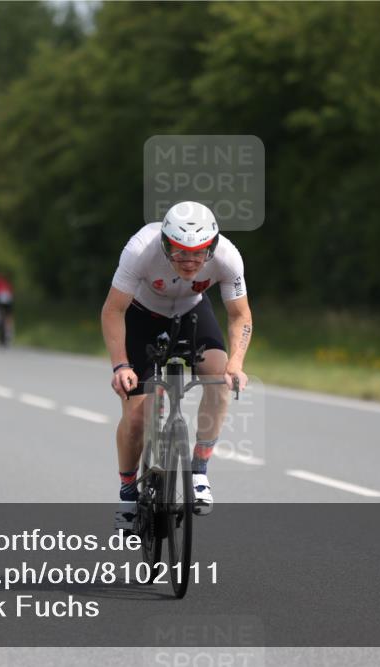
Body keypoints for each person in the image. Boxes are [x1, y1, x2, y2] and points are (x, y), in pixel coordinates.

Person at [100, 201, 253, 531]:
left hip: (192, 313)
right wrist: (120, 365)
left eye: (199, 252)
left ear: (212, 246)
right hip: (142, 316)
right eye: (180, 251)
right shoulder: (140, 249)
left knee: (220, 380)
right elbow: (113, 310)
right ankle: (127, 493)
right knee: (137, 417)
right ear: (165, 244)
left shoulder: (227, 256)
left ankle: (199, 471)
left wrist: (236, 363)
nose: (190, 260)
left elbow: (240, 314)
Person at [0, 273, 15, 346]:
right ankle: (9, 331)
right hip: (8, 299)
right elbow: (11, 293)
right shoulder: (7, 283)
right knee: (8, 315)